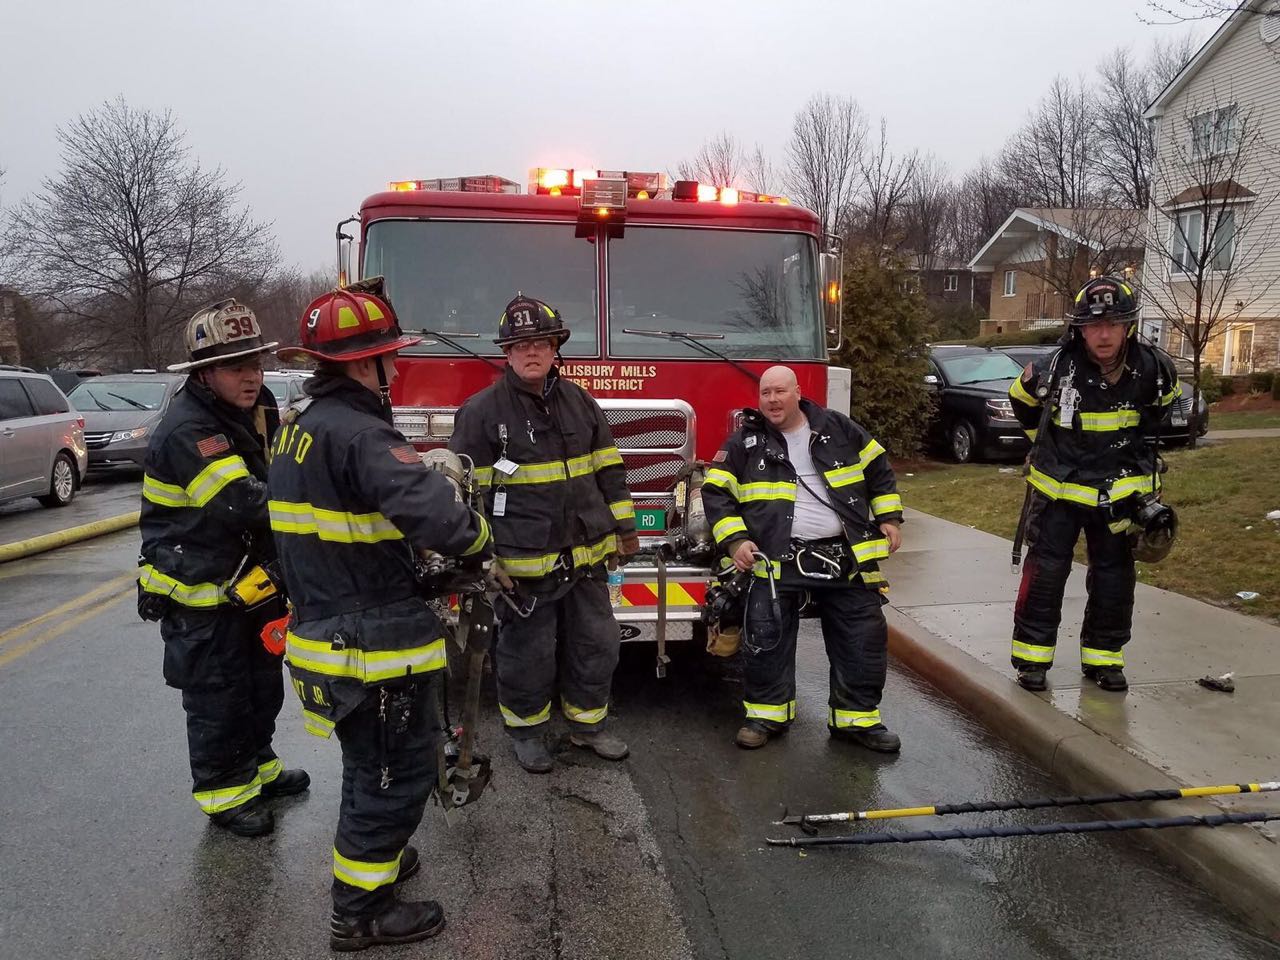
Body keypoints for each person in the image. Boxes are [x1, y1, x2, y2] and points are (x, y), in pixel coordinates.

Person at [267, 285, 492, 951]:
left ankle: (376, 868)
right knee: (394, 778)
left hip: (329, 631)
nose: (395, 369)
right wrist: (477, 540)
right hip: (371, 644)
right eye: (390, 358)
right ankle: (361, 914)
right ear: (367, 365)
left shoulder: (299, 429)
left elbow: (349, 522)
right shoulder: (360, 430)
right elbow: (438, 516)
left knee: (372, 768)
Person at [137, 299, 308, 838]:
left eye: (256, 365)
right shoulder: (191, 430)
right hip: (200, 593)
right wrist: (320, 496)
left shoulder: (256, 413)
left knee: (261, 686)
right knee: (218, 697)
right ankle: (225, 796)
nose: (252, 377)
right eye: (237, 368)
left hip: (249, 585)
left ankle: (259, 768)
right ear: (205, 373)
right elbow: (244, 502)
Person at [449, 294, 639, 774]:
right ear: (506, 354)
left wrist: (625, 528)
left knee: (597, 645)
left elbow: (609, 469)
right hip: (522, 571)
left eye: (541, 342)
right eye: (520, 344)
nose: (531, 351)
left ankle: (587, 727)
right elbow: (466, 495)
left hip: (588, 559)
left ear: (556, 348)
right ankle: (527, 733)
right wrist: (482, 559)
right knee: (526, 656)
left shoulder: (581, 403)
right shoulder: (480, 412)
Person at [701, 365, 904, 753]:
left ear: (798, 393)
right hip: (775, 558)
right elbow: (716, 493)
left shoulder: (840, 429)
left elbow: (879, 471)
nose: (772, 400)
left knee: (862, 637)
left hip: (844, 556)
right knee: (766, 638)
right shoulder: (745, 441)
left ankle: (857, 720)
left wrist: (889, 518)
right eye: (765, 394)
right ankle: (766, 716)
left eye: (780, 392)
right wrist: (735, 542)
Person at [1008, 275, 1181, 693]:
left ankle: (1105, 659)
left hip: (1122, 497)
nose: (1103, 334)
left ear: (1129, 326)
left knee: (1114, 578)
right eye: (1093, 326)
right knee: (1046, 575)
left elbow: (1161, 418)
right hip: (1058, 495)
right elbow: (1022, 403)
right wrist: (1048, 448)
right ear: (1080, 329)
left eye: (1113, 324)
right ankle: (1032, 661)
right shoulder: (1053, 368)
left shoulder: (1155, 370)